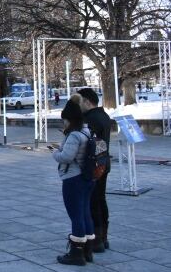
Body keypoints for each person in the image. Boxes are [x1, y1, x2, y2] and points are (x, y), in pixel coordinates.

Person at [52, 95, 95, 265]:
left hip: (73, 178)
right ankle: (88, 250)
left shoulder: (74, 135)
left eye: (65, 120)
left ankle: (76, 253)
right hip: (87, 177)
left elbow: (66, 157)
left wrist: (54, 153)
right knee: (85, 213)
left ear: (70, 119)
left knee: (75, 215)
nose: (64, 123)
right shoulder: (87, 131)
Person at [78, 87, 111, 252]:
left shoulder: (89, 119)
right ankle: (103, 238)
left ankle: (96, 239)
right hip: (104, 163)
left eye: (80, 101)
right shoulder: (103, 115)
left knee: (92, 203)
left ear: (87, 101)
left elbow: (86, 143)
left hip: (93, 166)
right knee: (100, 200)